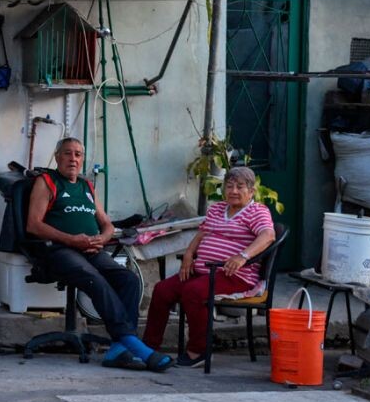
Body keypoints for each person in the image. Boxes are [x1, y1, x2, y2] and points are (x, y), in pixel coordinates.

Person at [26, 137, 172, 372]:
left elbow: (107, 224)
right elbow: (33, 224)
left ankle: (118, 348)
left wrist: (102, 239)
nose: (73, 159)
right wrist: (73, 240)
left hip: (90, 249)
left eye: (77, 154)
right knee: (95, 278)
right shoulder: (47, 182)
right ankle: (131, 342)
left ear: (82, 159)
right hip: (58, 250)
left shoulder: (86, 186)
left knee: (129, 280)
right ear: (57, 157)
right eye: (67, 153)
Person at [142, 166, 276, 368]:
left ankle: (199, 350)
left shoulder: (257, 211)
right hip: (203, 271)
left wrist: (242, 256)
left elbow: (268, 235)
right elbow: (202, 234)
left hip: (234, 275)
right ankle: (148, 347)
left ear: (252, 191)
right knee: (162, 290)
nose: (234, 191)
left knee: (193, 292)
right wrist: (188, 254)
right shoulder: (217, 209)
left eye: (240, 187)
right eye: (229, 186)